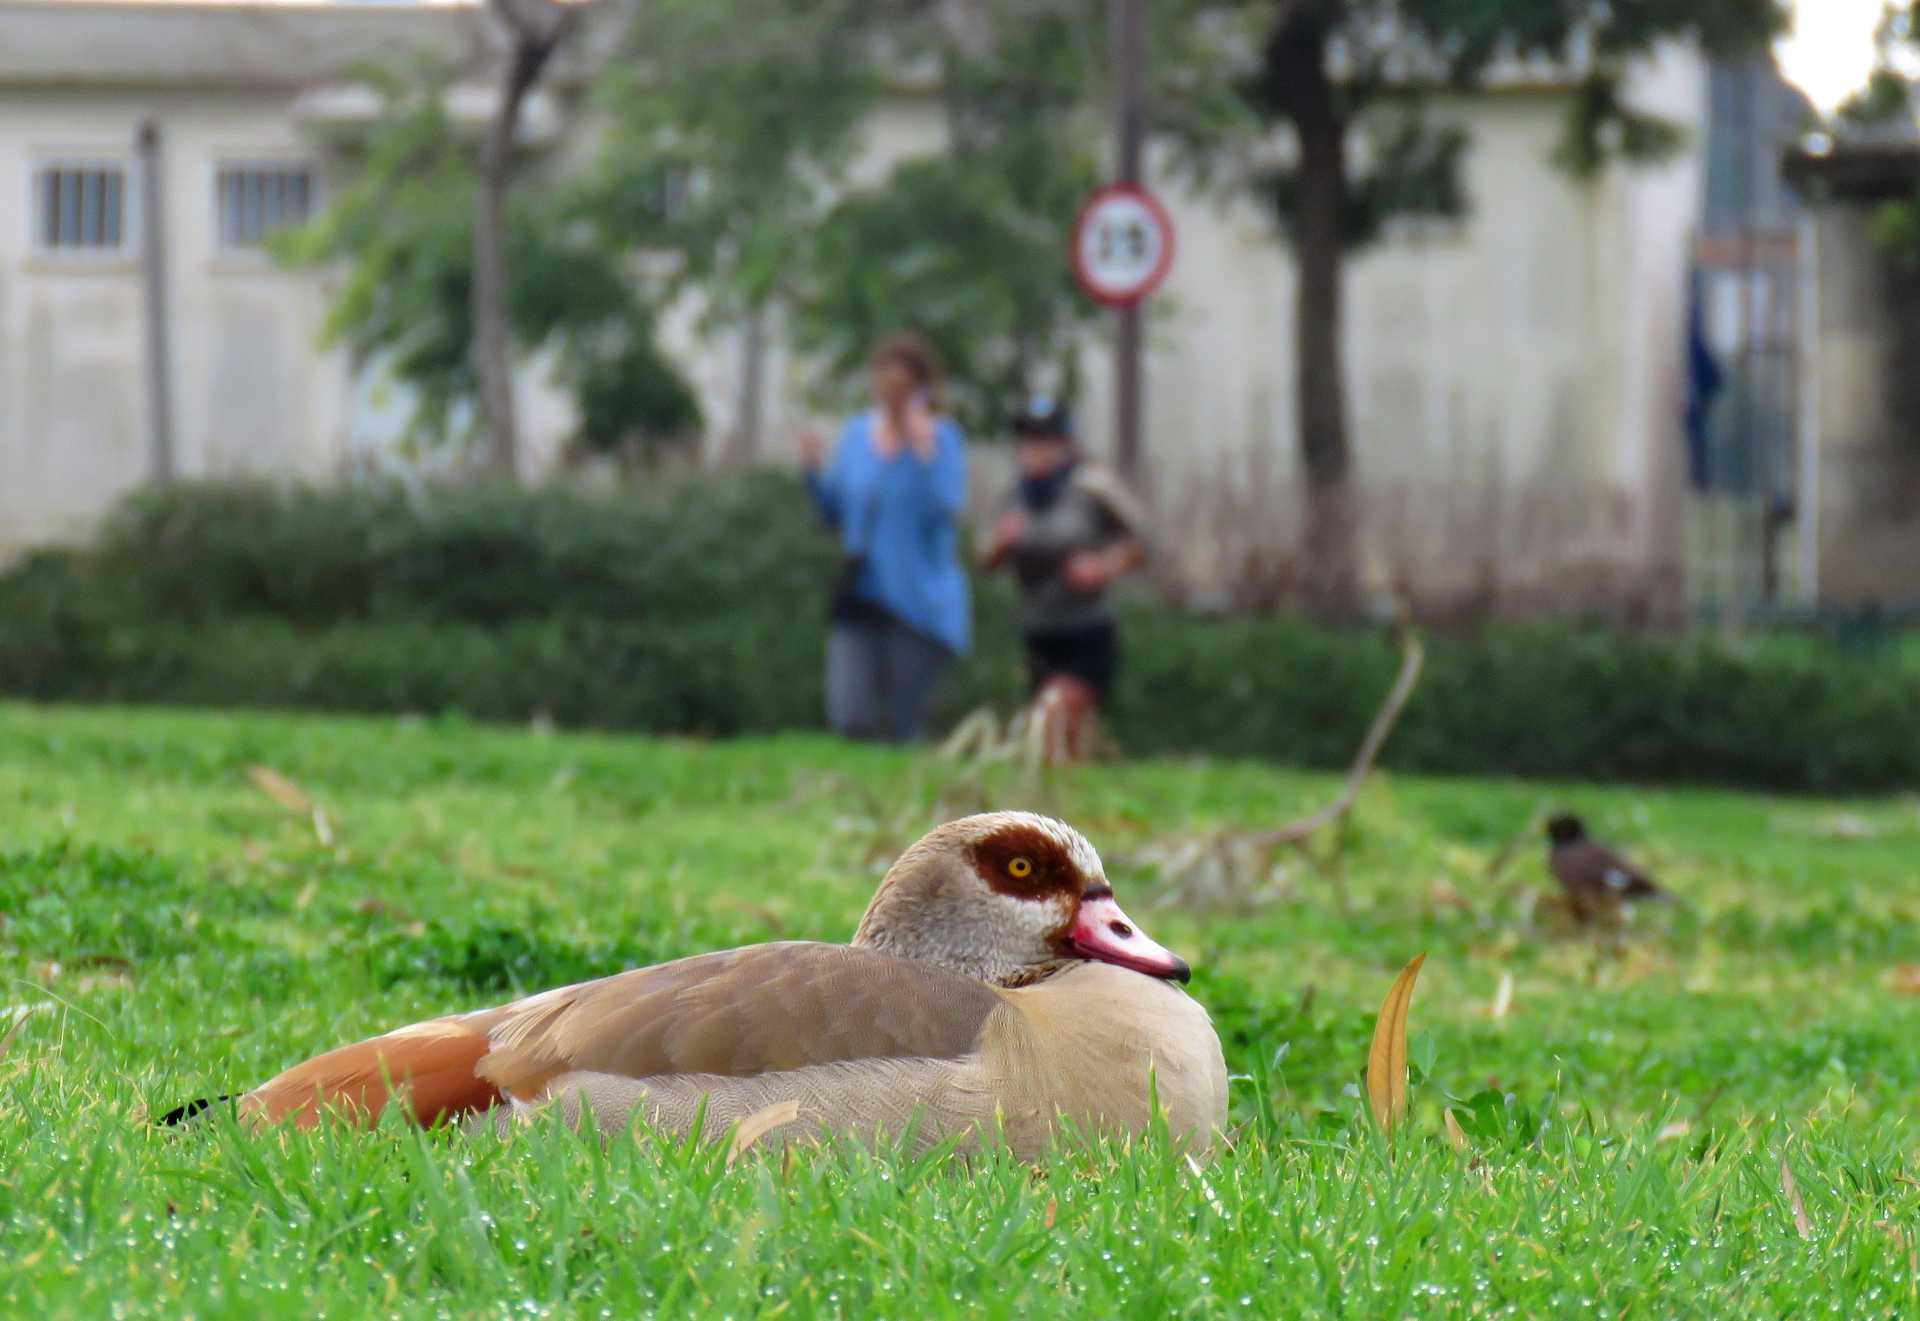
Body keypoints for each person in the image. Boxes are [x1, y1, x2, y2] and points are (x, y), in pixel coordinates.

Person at [799, 333, 969, 743]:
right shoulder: (858, 435)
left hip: (918, 601)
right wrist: (811, 473)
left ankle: (901, 795)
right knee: (849, 713)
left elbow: (946, 507)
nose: (893, 396)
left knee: (901, 723)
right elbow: (834, 513)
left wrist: (925, 449)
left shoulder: (942, 438)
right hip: (861, 592)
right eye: (885, 384)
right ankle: (850, 790)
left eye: (903, 387)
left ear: (921, 389)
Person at [981, 395, 1147, 724]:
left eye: (1044, 439)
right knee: (1050, 736)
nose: (1034, 449)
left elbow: (1142, 544)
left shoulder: (1092, 486)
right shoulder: (1015, 494)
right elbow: (985, 559)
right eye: (1027, 440)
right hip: (1038, 632)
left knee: (1060, 714)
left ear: (1066, 445)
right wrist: (1000, 543)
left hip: (1086, 632)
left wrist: (1103, 567)